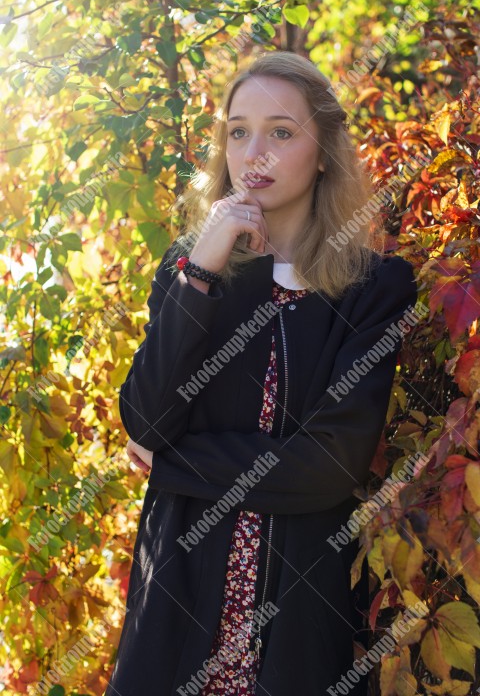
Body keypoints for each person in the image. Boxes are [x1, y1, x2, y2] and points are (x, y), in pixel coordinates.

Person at [105, 51, 418, 696]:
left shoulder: (372, 287)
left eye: (281, 132)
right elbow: (146, 418)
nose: (256, 153)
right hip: (180, 597)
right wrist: (201, 274)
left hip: (300, 615)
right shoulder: (190, 271)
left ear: (324, 150)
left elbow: (331, 466)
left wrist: (171, 465)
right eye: (238, 131)